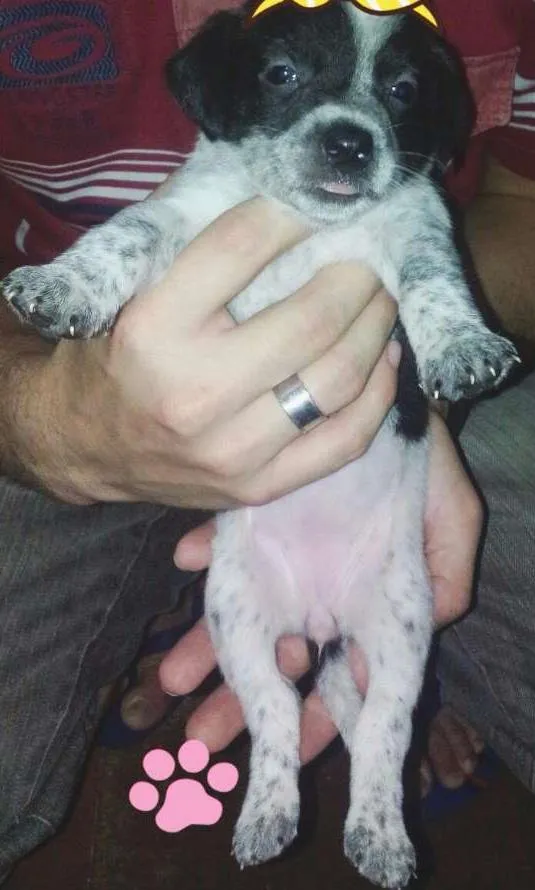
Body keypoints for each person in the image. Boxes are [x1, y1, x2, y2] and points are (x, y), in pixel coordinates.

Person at [0, 0, 533, 882]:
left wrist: (437, 376)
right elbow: (157, 227)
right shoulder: (221, 161)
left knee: (401, 628)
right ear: (228, 89)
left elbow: (458, 245)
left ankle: (387, 735)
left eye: (396, 93)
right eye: (287, 76)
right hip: (49, 377)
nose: (350, 124)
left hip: (375, 432)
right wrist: (43, 405)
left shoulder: (402, 192)